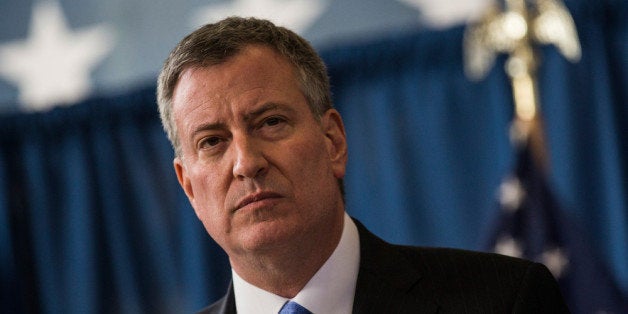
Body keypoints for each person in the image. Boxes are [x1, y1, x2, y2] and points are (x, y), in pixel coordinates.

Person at [157, 17, 569, 314]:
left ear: (333, 141)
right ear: (189, 186)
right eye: (212, 142)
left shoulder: (504, 300)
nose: (246, 162)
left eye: (271, 122)